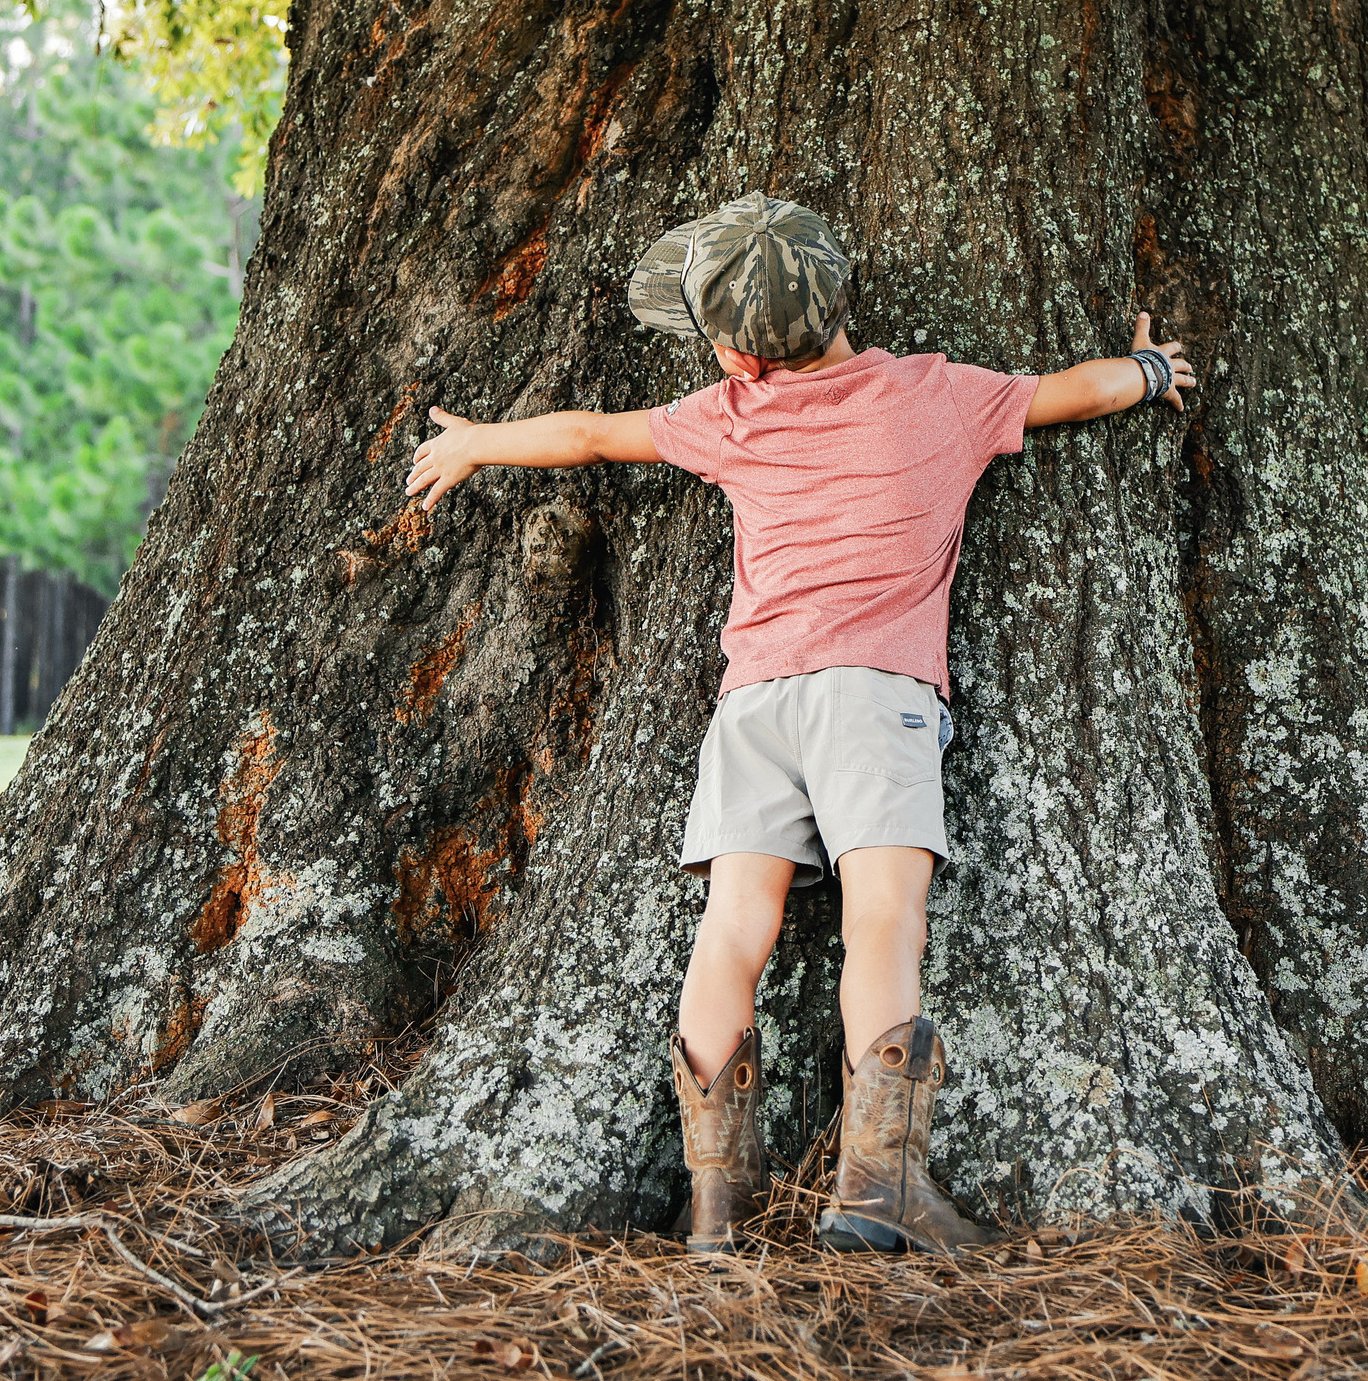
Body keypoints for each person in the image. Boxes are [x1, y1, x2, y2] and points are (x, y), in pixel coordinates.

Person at [405, 194, 1194, 1255]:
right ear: (839, 297)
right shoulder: (939, 394)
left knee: (733, 927)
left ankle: (719, 1204)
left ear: (731, 353)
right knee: (882, 920)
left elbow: (591, 434)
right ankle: (880, 1184)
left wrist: (483, 442)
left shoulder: (735, 417)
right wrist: (1149, 370)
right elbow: (1075, 391)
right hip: (874, 698)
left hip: (755, 703)